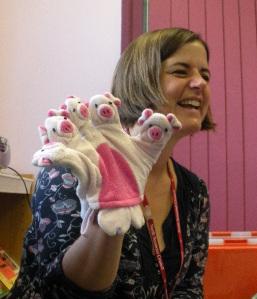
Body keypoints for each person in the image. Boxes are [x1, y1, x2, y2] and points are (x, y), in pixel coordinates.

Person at [7, 27, 215, 299]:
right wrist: (108, 213)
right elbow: (64, 290)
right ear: (140, 79)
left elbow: (189, 288)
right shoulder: (75, 166)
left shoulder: (194, 191)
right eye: (180, 71)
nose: (200, 82)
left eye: (205, 74)